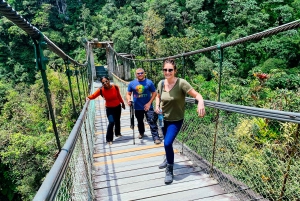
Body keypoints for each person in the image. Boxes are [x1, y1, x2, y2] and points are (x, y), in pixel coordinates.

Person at [155, 58, 206, 184]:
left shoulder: (182, 83)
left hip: (176, 120)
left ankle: (169, 170)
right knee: (167, 143)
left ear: (175, 70)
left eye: (170, 70)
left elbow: (197, 95)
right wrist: (157, 106)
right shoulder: (161, 83)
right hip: (163, 118)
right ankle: (167, 159)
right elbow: (158, 96)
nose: (167, 72)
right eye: (165, 70)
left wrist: (201, 102)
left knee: (167, 143)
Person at [126, 68, 161, 144]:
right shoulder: (132, 83)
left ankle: (156, 137)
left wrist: (149, 103)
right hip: (137, 107)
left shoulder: (149, 82)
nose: (140, 74)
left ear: (144, 73)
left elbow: (154, 93)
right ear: (136, 74)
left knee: (152, 121)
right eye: (138, 73)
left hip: (148, 106)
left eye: (141, 73)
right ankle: (141, 132)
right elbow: (128, 94)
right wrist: (129, 100)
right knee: (140, 121)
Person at [87, 76, 125, 145]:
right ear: (102, 84)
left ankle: (117, 133)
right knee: (111, 122)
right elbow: (93, 96)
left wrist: (122, 103)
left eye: (106, 81)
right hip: (109, 108)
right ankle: (109, 139)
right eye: (103, 83)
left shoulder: (115, 87)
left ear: (109, 80)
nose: (105, 83)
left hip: (117, 106)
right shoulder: (101, 90)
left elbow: (119, 96)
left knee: (117, 120)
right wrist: (88, 98)